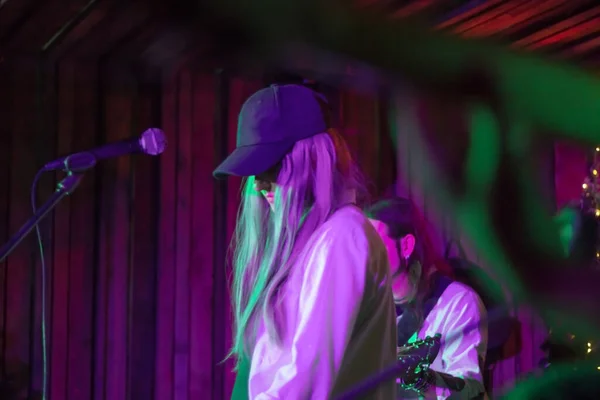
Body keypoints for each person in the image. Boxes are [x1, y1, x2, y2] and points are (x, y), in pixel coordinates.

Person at [213, 83, 397, 399]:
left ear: (313, 159)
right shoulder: (314, 245)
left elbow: (306, 381)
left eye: (269, 166)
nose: (258, 185)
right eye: (253, 172)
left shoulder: (342, 236)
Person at [366, 197, 488, 399]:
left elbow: (467, 391)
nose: (365, 256)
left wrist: (420, 379)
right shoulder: (371, 310)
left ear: (406, 246)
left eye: (375, 244)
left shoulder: (457, 303)